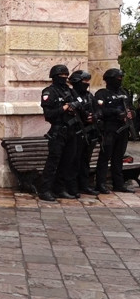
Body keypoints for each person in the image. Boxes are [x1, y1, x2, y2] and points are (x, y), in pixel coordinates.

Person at [38, 64, 78, 201]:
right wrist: (65, 108)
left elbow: (79, 103)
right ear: (54, 77)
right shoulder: (49, 92)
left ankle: (59, 188)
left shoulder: (70, 91)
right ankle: (44, 190)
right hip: (57, 131)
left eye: (66, 76)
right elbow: (49, 114)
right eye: (62, 76)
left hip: (71, 131)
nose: (64, 78)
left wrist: (75, 108)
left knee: (67, 162)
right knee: (53, 163)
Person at [95, 68, 135, 193]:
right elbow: (99, 111)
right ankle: (100, 184)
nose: (120, 81)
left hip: (123, 129)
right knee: (105, 157)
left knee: (118, 158)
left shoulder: (124, 92)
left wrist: (131, 113)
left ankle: (118, 184)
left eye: (121, 78)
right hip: (109, 129)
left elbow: (130, 107)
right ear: (110, 80)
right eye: (118, 79)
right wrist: (116, 112)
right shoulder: (102, 94)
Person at [68, 70, 100, 196]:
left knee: (85, 160)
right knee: (74, 160)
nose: (86, 84)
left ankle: (84, 185)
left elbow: (98, 110)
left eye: (87, 81)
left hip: (89, 132)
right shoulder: (71, 95)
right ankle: (73, 187)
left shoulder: (89, 96)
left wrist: (94, 117)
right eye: (84, 81)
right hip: (76, 132)